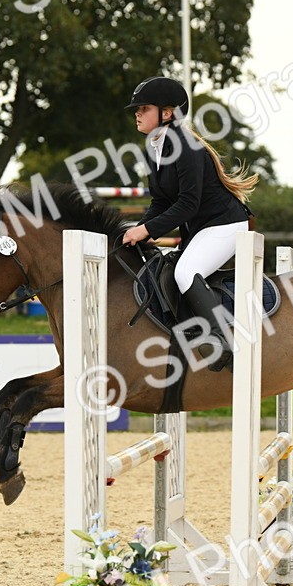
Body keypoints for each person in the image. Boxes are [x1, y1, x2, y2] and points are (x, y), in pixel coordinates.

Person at [120, 76, 258, 372]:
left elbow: (187, 204)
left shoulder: (187, 147)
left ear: (167, 113)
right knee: (166, 270)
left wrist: (148, 229)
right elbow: (160, 202)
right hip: (200, 229)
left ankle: (223, 341)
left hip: (225, 226)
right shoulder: (153, 148)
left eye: (144, 108)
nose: (137, 113)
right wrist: (138, 231)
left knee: (185, 272)